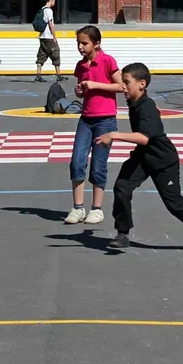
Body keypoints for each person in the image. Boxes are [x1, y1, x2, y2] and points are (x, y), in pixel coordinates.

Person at [97, 63, 183, 251]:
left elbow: (144, 138)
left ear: (142, 84)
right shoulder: (135, 101)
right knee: (122, 187)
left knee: (174, 204)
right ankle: (122, 233)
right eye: (122, 82)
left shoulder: (145, 106)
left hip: (162, 160)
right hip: (142, 157)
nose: (123, 86)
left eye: (127, 82)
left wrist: (114, 134)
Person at [63, 25, 123, 225]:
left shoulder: (107, 61)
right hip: (86, 119)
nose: (80, 46)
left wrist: (95, 85)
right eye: (78, 43)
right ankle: (78, 207)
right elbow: (83, 89)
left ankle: (96, 209)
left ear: (96, 43)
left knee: (98, 164)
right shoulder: (81, 66)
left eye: (84, 43)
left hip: (105, 119)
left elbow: (120, 86)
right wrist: (80, 91)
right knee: (77, 161)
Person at [34, 0, 61, 83]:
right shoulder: (49, 11)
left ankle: (38, 75)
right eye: (54, 1)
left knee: (42, 55)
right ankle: (58, 75)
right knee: (55, 52)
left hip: (42, 37)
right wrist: (54, 36)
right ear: (51, 0)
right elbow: (51, 24)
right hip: (48, 37)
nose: (54, 3)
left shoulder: (42, 9)